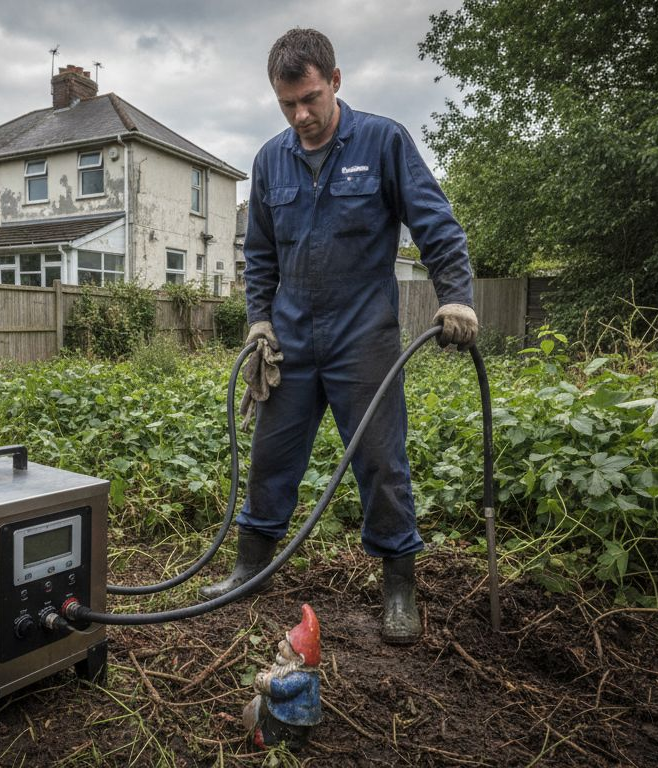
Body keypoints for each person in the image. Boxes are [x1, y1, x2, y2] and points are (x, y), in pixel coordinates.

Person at [201, 28, 478, 646]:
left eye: (311, 98)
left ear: (335, 82)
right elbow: (262, 252)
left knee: (382, 462)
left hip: (365, 338)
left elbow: (435, 222)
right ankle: (251, 565)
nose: (301, 115)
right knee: (271, 456)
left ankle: (399, 586)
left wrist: (455, 295)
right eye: (287, 104)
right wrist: (260, 318)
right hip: (293, 339)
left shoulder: (382, 141)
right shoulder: (271, 159)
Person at [242, 603, 322, 750]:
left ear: (300, 658)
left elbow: (282, 688)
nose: (280, 645)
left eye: (286, 645)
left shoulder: (301, 677)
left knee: (278, 729)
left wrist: (267, 682)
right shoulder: (295, 670)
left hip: (292, 716)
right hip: (286, 709)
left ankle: (275, 741)